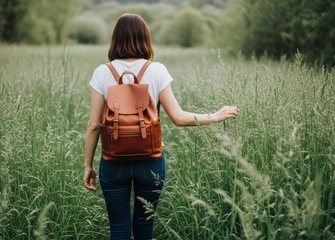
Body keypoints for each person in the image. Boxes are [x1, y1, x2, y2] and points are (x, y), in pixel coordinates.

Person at [83, 13, 238, 240]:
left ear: (115, 39)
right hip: (151, 161)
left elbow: (93, 126)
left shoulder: (102, 72)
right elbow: (178, 117)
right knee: (145, 226)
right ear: (145, 38)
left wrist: (88, 165)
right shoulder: (157, 71)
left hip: (113, 162)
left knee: (118, 227)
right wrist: (214, 116)